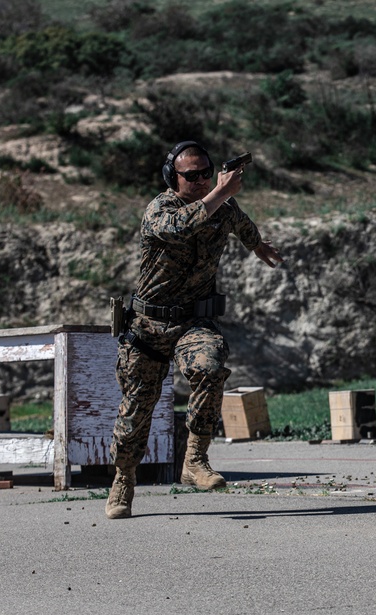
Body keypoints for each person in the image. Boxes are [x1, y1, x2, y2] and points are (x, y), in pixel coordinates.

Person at [106, 140, 283, 519]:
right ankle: (124, 478)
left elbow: (241, 224)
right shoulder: (159, 210)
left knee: (211, 366)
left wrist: (258, 246)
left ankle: (195, 459)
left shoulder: (224, 208)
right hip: (148, 327)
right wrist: (220, 191)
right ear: (174, 177)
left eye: (207, 173)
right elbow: (180, 227)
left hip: (193, 322)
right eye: (192, 175)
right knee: (136, 413)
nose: (202, 180)